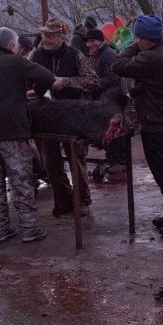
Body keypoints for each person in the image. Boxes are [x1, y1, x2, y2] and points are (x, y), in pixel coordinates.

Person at [111, 13, 163, 237]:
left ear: (147, 39)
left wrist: (131, 45)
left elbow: (118, 65)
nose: (138, 41)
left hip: (157, 122)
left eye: (140, 37)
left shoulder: (152, 58)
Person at [0, 26, 60, 243]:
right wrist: (39, 94)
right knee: (21, 180)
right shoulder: (16, 62)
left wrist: (19, 94)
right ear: (13, 46)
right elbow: (47, 77)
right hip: (11, 131)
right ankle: (29, 230)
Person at [30, 18, 100, 215]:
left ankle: (82, 200)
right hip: (45, 115)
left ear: (61, 36)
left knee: (76, 160)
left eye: (51, 35)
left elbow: (93, 82)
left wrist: (66, 82)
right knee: (51, 162)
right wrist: (29, 91)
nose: (46, 38)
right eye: (44, 34)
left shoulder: (75, 55)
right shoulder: (35, 56)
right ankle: (63, 199)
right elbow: (25, 80)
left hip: (72, 116)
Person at [85, 25, 127, 170]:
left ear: (100, 40)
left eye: (93, 41)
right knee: (108, 130)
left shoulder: (108, 54)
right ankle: (113, 159)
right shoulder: (95, 55)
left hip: (112, 98)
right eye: (88, 42)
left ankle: (119, 161)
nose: (90, 44)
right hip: (104, 98)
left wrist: (95, 85)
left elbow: (112, 77)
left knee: (115, 130)